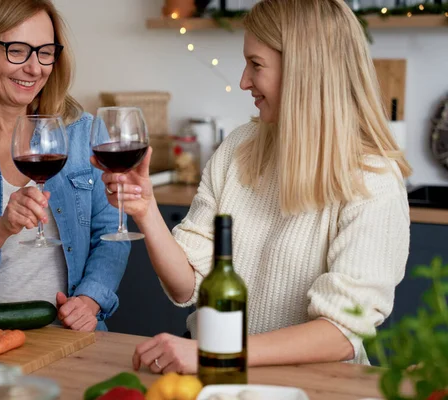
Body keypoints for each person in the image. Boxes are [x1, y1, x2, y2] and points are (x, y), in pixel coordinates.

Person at [93, 0, 411, 372]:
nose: (243, 81)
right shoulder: (239, 148)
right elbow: (187, 285)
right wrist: (145, 209)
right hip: (218, 378)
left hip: (316, 388)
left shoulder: (372, 178)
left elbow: (341, 333)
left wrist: (216, 352)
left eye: (256, 65)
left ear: (302, 71)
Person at [0, 0, 130, 332]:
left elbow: (111, 233)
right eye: (17, 50)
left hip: (68, 335)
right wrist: (1, 227)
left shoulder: (84, 133)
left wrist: (89, 300)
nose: (35, 68)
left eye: (45, 52)